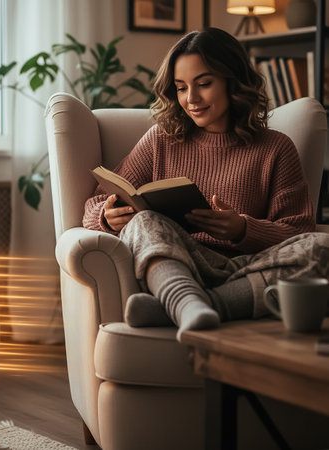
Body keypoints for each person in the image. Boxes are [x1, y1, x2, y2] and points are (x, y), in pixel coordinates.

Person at [82, 27, 329, 342]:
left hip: (248, 268)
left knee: (322, 247)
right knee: (144, 221)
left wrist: (242, 229)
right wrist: (106, 216)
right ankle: (189, 298)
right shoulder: (160, 140)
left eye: (204, 84)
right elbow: (93, 205)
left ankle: (189, 305)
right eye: (181, 88)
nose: (191, 99)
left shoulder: (276, 148)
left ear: (233, 81)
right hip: (176, 261)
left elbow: (299, 231)